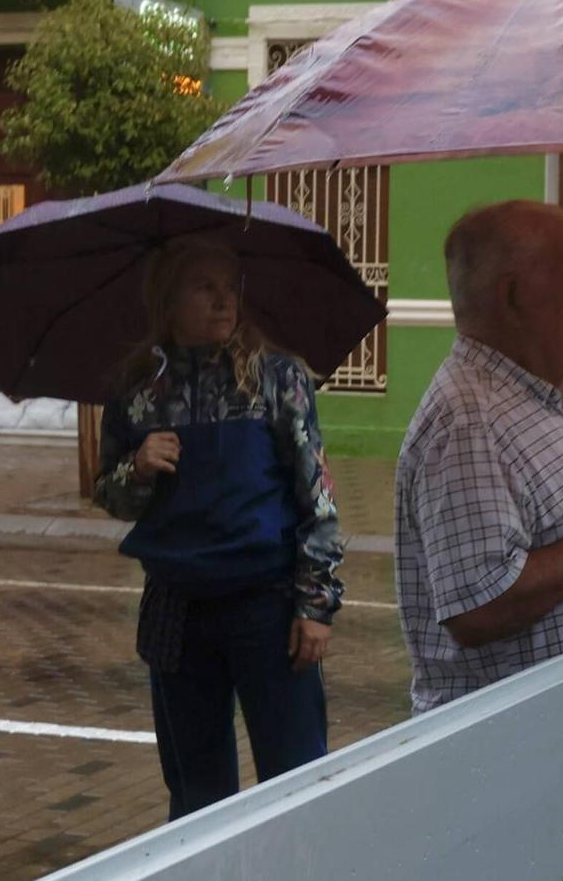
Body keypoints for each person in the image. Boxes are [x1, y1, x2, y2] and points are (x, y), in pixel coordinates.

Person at [92, 237, 343, 819]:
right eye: (204, 287)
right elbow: (110, 495)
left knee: (296, 782)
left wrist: (316, 606)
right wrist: (138, 468)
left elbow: (317, 497)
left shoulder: (277, 378)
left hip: (268, 609)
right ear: (168, 298)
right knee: (197, 797)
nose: (223, 300)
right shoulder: (136, 391)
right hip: (177, 612)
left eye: (231, 287)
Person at [395, 201, 563, 713]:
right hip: (516, 738)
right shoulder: (467, 421)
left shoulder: (532, 397)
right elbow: (478, 608)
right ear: (513, 296)